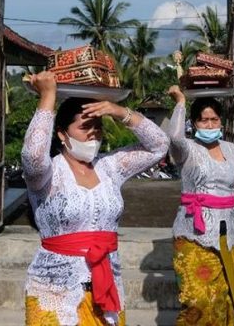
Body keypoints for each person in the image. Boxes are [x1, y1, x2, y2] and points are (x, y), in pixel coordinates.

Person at [22, 71, 170, 326]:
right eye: (84, 127)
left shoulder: (110, 167)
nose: (93, 134)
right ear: (61, 134)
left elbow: (159, 145)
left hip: (107, 286)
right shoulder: (48, 174)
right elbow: (33, 156)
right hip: (54, 288)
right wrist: (48, 97)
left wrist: (118, 111)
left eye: (98, 128)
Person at [166, 86, 234, 326]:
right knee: (196, 299)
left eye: (213, 119)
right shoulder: (187, 150)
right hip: (192, 234)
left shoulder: (232, 150)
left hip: (227, 235)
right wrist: (180, 102)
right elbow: (174, 137)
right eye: (203, 120)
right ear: (195, 123)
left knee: (222, 298)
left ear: (221, 121)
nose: (209, 124)